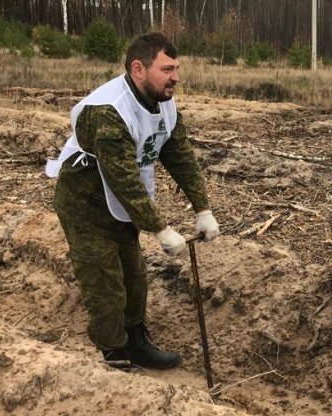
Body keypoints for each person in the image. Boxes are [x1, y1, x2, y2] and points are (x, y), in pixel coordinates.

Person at [45, 32, 220, 370]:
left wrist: (203, 208)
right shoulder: (108, 112)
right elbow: (122, 180)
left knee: (135, 276)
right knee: (104, 281)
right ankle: (113, 355)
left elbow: (180, 155)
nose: (176, 77)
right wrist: (160, 228)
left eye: (177, 68)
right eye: (167, 69)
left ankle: (136, 342)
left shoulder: (163, 104)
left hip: (120, 207)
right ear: (139, 69)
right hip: (86, 207)